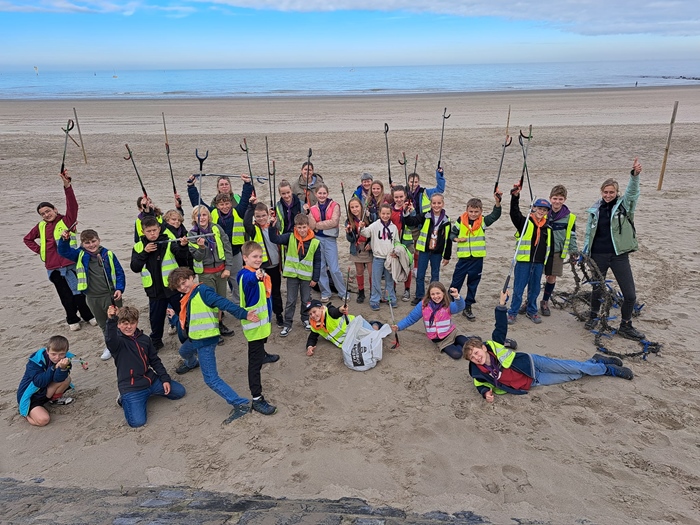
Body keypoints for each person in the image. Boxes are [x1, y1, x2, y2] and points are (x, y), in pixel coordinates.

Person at [464, 291, 633, 403]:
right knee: (573, 376)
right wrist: (485, 392)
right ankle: (595, 361)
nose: (477, 357)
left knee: (574, 367)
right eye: (472, 357)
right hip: (533, 382)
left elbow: (500, 328)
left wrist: (501, 305)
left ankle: (607, 369)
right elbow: (479, 384)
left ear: (483, 348)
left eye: (477, 352)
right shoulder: (477, 371)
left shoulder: (494, 346)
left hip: (533, 363)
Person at [167, 267, 262, 424]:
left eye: (184, 282)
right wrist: (176, 318)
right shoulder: (188, 296)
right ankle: (192, 363)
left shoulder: (203, 292)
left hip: (205, 341)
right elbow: (191, 320)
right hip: (195, 338)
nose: (183, 287)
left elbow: (223, 303)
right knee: (184, 351)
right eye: (179, 287)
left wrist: (244, 314)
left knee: (211, 379)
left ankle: (240, 403)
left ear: (192, 277)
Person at [24, 169, 95, 331]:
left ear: (55, 209)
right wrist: (41, 250)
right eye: (42, 213)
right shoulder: (41, 226)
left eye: (48, 211)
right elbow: (27, 239)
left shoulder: (66, 220)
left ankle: (88, 315)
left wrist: (67, 186)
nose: (46, 215)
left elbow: (73, 205)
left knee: (79, 292)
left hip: (70, 264)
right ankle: (72, 319)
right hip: (53, 267)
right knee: (65, 296)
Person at [582, 159, 645, 340]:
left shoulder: (625, 206)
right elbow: (589, 233)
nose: (608, 195)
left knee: (630, 294)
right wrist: (585, 253)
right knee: (597, 289)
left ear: (617, 193)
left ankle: (626, 325)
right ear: (601, 192)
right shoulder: (595, 209)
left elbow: (633, 193)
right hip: (598, 255)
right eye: (605, 192)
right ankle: (593, 316)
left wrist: (634, 176)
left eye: (612, 192)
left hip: (619, 256)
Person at [105, 305, 186, 427]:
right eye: (124, 323)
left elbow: (155, 361)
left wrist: (164, 379)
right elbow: (110, 340)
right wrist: (111, 320)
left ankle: (150, 393)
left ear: (137, 322)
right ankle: (123, 398)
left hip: (151, 381)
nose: (128, 327)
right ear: (118, 324)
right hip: (131, 387)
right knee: (137, 422)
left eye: (132, 323)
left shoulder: (145, 339)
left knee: (179, 392)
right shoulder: (118, 343)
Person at [58, 228, 126, 361]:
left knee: (118, 321)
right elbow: (63, 251)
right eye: (87, 242)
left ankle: (123, 343)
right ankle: (110, 346)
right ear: (82, 244)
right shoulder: (79, 255)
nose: (91, 245)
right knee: (102, 323)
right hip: (92, 297)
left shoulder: (108, 254)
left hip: (111, 296)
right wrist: (64, 240)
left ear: (99, 240)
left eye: (93, 241)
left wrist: (119, 288)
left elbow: (119, 272)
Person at [188, 174, 253, 304]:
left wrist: (247, 184)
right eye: (221, 204)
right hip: (217, 255)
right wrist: (191, 187)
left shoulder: (238, 211)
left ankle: (239, 303)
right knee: (223, 281)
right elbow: (198, 203)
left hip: (234, 252)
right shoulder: (211, 213)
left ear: (231, 203)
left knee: (236, 280)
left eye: (227, 203)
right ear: (217, 205)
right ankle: (220, 306)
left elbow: (245, 199)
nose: (225, 207)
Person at [237, 241, 279, 415]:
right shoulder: (247, 276)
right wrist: (257, 276)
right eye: (254, 257)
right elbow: (249, 280)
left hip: (262, 326)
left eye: (260, 256)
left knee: (261, 344)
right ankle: (257, 399)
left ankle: (263, 354)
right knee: (254, 365)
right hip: (254, 327)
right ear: (245, 258)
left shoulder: (255, 272)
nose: (258, 259)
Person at [448, 193, 502, 321]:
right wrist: (456, 238)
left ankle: (468, 306)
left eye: (476, 211)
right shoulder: (461, 220)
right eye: (471, 211)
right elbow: (451, 233)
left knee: (473, 284)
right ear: (466, 210)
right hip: (463, 258)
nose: (473, 214)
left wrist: (498, 203)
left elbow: (495, 215)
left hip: (477, 259)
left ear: (481, 211)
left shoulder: (483, 221)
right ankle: (448, 303)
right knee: (456, 282)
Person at [130, 216, 181, 350]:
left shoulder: (169, 242)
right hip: (154, 291)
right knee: (156, 320)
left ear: (159, 229)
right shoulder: (139, 246)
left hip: (172, 288)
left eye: (154, 230)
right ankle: (156, 342)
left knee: (182, 314)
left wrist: (183, 246)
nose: (152, 233)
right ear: (142, 231)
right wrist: (144, 253)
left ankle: (187, 337)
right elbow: (135, 267)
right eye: (149, 231)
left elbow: (182, 257)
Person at [269, 212, 321, 336]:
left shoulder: (315, 242)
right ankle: (287, 324)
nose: (302, 230)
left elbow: (317, 262)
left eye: (304, 227)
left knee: (305, 300)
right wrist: (272, 226)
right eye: (299, 227)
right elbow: (274, 239)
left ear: (308, 226)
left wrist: (315, 278)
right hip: (292, 276)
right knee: (291, 301)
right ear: (295, 227)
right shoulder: (290, 237)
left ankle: (305, 319)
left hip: (306, 277)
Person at [189, 206, 235, 338]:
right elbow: (197, 257)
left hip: (221, 271)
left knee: (221, 299)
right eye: (198, 216)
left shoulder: (217, 228)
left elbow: (227, 247)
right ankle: (213, 328)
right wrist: (202, 247)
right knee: (210, 301)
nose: (202, 218)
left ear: (208, 216)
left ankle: (220, 323)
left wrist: (228, 267)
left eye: (204, 215)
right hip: (206, 273)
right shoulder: (192, 235)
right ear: (194, 218)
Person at [507, 189, 552, 325]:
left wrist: (547, 267)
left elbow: (550, 248)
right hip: (523, 262)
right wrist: (515, 197)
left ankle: (532, 311)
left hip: (538, 263)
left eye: (544, 210)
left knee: (535, 289)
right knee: (518, 289)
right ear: (533, 208)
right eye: (539, 208)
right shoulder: (524, 222)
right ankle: (512, 312)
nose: (541, 212)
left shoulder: (548, 228)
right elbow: (514, 213)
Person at [392, 282, 467, 359]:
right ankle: (462, 343)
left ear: (443, 293)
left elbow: (460, 307)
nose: (436, 296)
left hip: (452, 332)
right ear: (429, 295)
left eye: (438, 293)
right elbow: (411, 318)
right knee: (457, 354)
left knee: (469, 345)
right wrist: (398, 326)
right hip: (440, 340)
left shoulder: (447, 304)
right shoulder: (423, 305)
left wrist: (457, 297)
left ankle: (464, 341)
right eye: (433, 294)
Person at [17, 335, 74, 427]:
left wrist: (62, 369)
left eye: (61, 354)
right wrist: (54, 368)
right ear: (47, 351)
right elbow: (39, 382)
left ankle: (54, 400)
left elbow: (58, 379)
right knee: (43, 420)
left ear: (66, 352)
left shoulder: (66, 360)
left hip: (45, 391)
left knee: (66, 379)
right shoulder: (34, 362)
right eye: (53, 354)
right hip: (31, 396)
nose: (57, 358)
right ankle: (26, 414)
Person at [244, 199, 284, 328]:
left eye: (263, 215)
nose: (261, 218)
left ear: (268, 214)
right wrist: (251, 206)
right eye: (258, 216)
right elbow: (246, 222)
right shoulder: (254, 229)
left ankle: (279, 315)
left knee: (276, 292)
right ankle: (266, 315)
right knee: (264, 293)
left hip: (275, 266)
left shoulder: (274, 227)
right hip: (263, 267)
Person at [540, 185, 577, 316]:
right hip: (541, 250)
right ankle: (529, 300)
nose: (557, 202)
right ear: (550, 198)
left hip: (557, 251)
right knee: (535, 276)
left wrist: (573, 253)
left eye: (560, 199)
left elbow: (572, 236)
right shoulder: (543, 213)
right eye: (555, 198)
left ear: (565, 200)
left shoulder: (570, 217)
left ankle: (545, 301)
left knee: (551, 277)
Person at [308, 183, 348, 302]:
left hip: (330, 239)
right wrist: (316, 225)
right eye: (319, 193)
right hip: (317, 240)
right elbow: (311, 225)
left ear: (327, 194)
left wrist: (318, 226)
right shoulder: (311, 209)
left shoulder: (335, 205)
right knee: (320, 268)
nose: (322, 195)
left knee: (334, 268)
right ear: (315, 194)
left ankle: (342, 291)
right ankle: (325, 292)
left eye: (324, 193)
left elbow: (334, 221)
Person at [412, 193, 452, 305]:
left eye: (439, 203)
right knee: (420, 274)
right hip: (424, 250)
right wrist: (407, 213)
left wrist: (447, 256)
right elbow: (413, 221)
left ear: (443, 204)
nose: (436, 205)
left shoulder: (446, 220)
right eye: (434, 203)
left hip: (437, 252)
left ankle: (433, 296)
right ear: (430, 204)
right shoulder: (425, 215)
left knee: (435, 275)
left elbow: (448, 239)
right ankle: (419, 296)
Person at [360, 203, 401, 311]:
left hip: (390, 258)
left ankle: (390, 298)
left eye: (388, 214)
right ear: (379, 214)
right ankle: (375, 300)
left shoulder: (394, 227)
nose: (385, 216)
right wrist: (361, 227)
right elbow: (365, 233)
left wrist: (396, 252)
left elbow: (397, 241)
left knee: (389, 280)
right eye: (383, 213)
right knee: (376, 280)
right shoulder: (375, 225)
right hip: (377, 258)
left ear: (391, 214)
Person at [304, 299, 381, 356]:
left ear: (321, 309)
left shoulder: (329, 311)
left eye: (314, 312)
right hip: (349, 341)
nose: (313, 316)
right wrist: (310, 347)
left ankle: (375, 325)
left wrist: (341, 309)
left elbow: (335, 312)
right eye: (310, 314)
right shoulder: (315, 325)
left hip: (358, 326)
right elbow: (312, 337)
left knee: (375, 337)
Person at [389, 184, 421, 302]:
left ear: (405, 196)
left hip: (407, 242)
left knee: (407, 266)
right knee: (394, 266)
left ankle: (407, 289)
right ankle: (393, 288)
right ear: (393, 197)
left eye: (401, 196)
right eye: (396, 197)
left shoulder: (410, 208)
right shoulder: (390, 210)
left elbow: (413, 223)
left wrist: (410, 212)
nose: (399, 199)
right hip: (394, 242)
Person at [345, 196, 372, 304]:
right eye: (352, 207)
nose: (355, 209)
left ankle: (372, 292)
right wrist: (349, 232)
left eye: (357, 206)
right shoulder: (349, 221)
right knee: (359, 271)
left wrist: (370, 243)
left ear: (361, 206)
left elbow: (374, 233)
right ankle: (361, 291)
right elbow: (351, 239)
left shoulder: (369, 217)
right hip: (357, 248)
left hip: (368, 247)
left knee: (371, 272)